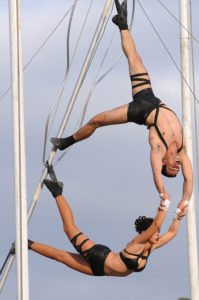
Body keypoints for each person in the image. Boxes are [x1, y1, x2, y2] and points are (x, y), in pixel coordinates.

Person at [50, 0, 193, 215]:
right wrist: (185, 201)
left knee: (97, 120)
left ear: (164, 161)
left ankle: (66, 142)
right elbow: (190, 180)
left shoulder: (158, 149)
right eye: (177, 169)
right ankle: (122, 24)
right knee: (134, 57)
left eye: (172, 169)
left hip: (141, 110)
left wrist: (163, 193)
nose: (177, 167)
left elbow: (156, 173)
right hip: (153, 99)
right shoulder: (182, 151)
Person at [27, 177, 185, 277]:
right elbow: (157, 223)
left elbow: (171, 233)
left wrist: (177, 215)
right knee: (69, 228)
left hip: (100, 271)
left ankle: (27, 244)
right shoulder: (137, 242)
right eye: (155, 233)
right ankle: (57, 192)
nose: (158, 235)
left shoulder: (151, 247)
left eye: (158, 233)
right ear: (145, 232)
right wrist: (165, 205)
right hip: (98, 255)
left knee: (60, 257)